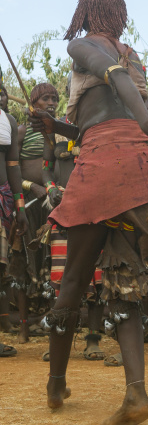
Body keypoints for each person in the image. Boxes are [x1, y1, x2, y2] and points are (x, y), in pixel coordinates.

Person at [32, 0, 148, 425]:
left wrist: (147, 121)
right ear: (119, 15)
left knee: (73, 281)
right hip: (142, 169)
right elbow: (99, 119)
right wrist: (57, 127)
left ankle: (56, 383)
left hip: (104, 167)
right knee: (125, 278)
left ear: (86, 13)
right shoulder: (135, 56)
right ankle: (136, 394)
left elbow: (115, 93)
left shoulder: (83, 45)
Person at [41, 72, 106, 362]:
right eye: (73, 88)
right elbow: (46, 167)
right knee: (62, 277)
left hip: (95, 207)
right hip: (65, 208)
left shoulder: (100, 125)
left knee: (97, 276)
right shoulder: (54, 129)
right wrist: (52, 187)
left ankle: (93, 340)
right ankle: (59, 339)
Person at [11, 83, 59, 343]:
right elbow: (13, 170)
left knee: (53, 261)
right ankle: (23, 327)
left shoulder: (59, 132)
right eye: (45, 99)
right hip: (27, 205)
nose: (50, 103)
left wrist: (51, 189)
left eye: (54, 99)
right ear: (33, 104)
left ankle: (51, 321)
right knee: (24, 260)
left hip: (54, 204)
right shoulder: (21, 132)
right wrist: (33, 187)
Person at [0, 82, 28, 356]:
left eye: (2, 90)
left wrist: (20, 207)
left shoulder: (7, 120)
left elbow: (12, 166)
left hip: (2, 201)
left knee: (0, 269)